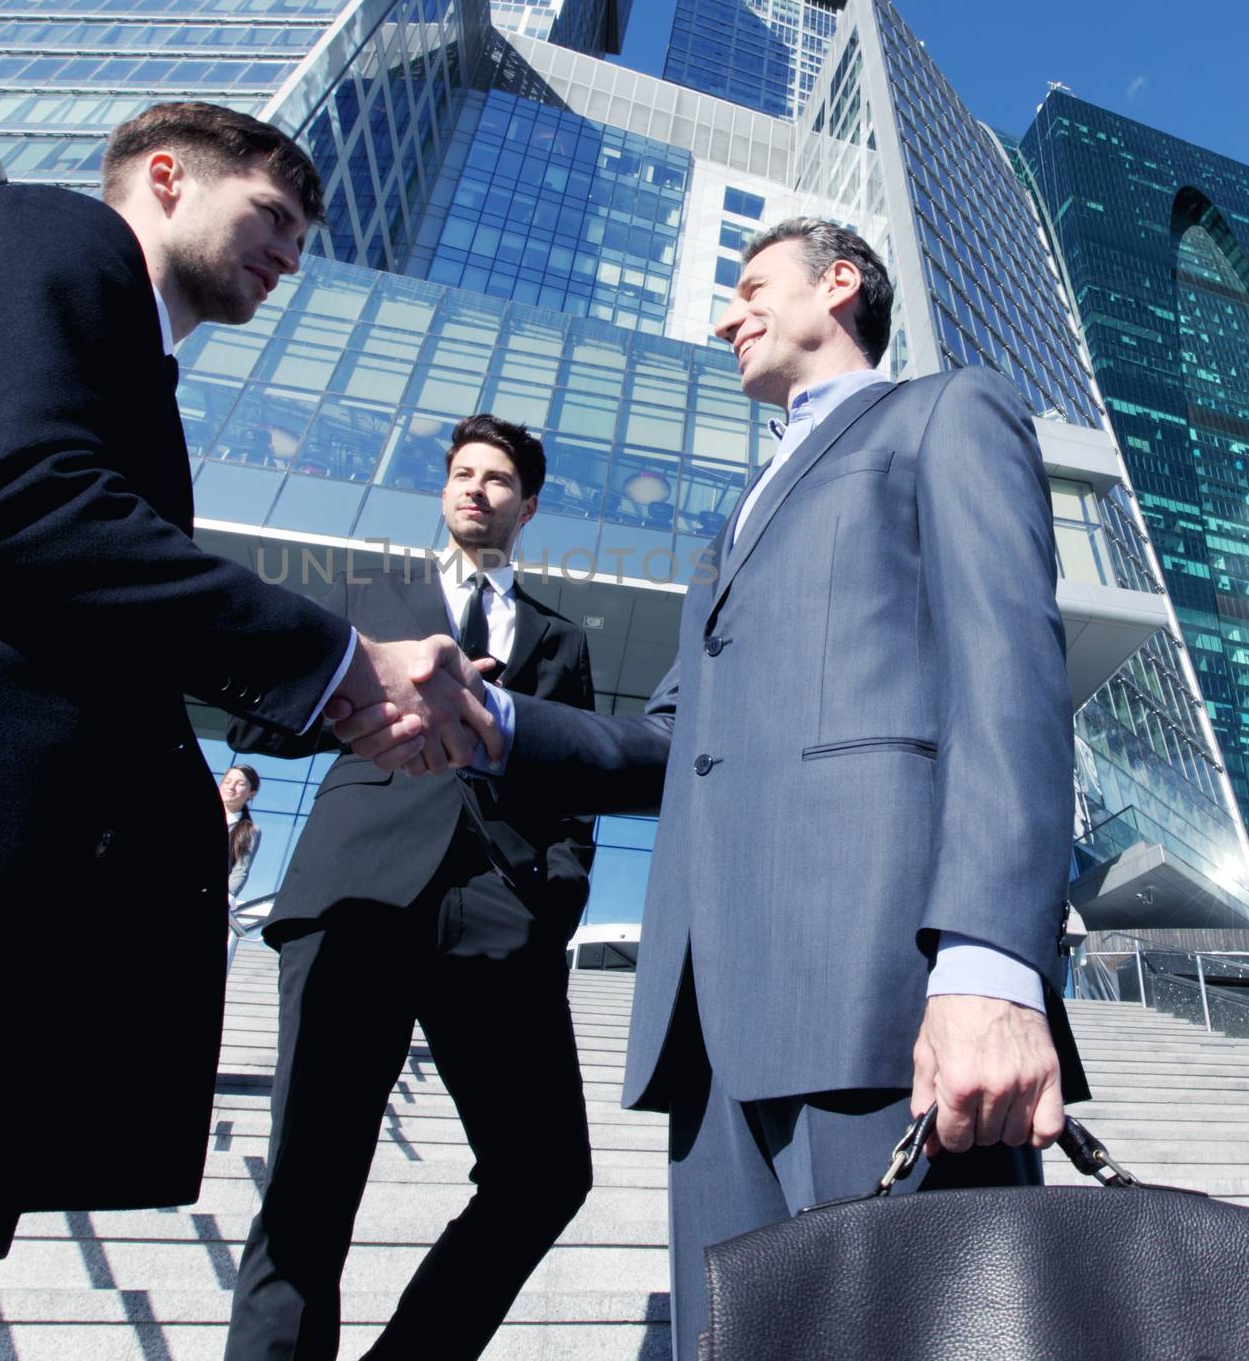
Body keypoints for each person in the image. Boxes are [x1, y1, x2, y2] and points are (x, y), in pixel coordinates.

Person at [0, 101, 497, 1361]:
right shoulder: (36, 237)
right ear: (164, 177)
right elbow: (15, 507)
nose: (291, 255)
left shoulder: (130, 369)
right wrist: (338, 661)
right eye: (272, 217)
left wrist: (340, 705)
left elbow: (95, 626)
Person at [333, 219, 1091, 1357]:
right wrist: (491, 726)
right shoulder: (732, 523)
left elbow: (1011, 679)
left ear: (839, 285)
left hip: (883, 1000)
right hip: (710, 1026)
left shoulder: (947, 412)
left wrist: (990, 964)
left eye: (748, 289)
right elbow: (668, 745)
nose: (726, 316)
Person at [223, 414, 597, 1361]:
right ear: (444, 493)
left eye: (498, 478)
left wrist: (555, 898)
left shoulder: (559, 639)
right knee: (310, 1185)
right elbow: (259, 722)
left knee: (547, 1175)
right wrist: (361, 691)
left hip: (502, 919)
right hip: (360, 900)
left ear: (529, 504)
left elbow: (579, 784)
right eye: (462, 474)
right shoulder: (367, 595)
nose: (476, 488)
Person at [223, 763, 262, 904]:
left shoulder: (249, 831)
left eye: (239, 784)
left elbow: (241, 869)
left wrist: (228, 895)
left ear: (252, 793)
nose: (231, 787)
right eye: (227, 782)